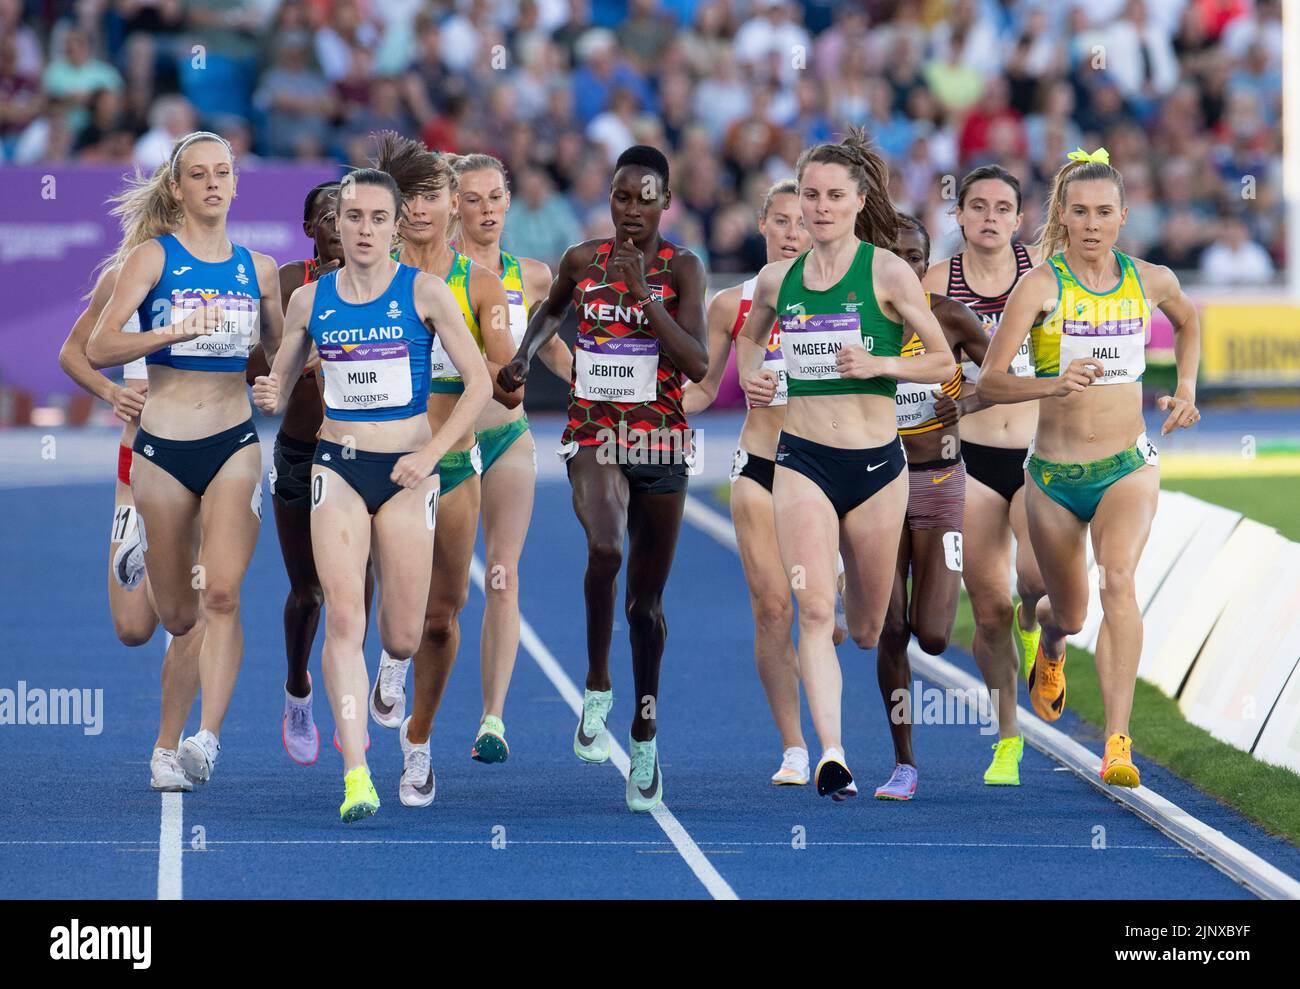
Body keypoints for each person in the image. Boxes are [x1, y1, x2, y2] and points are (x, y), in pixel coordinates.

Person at [254, 163, 489, 821]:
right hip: (337, 468)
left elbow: (477, 385)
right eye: (351, 216)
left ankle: (395, 671)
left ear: (395, 226)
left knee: (405, 633)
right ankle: (357, 772)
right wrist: (269, 391)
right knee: (344, 618)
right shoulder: (310, 301)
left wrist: (432, 453)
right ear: (336, 224)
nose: (362, 228)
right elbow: (278, 380)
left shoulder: (427, 293)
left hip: (408, 475)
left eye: (376, 218)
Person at [735, 129, 955, 800]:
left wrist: (882, 362)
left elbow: (944, 362)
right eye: (810, 195)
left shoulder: (886, 272)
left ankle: (844, 614)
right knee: (809, 607)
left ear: (859, 201)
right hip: (801, 458)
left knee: (865, 627)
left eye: (834, 196)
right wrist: (755, 378)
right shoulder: (779, 279)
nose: (820, 207)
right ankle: (831, 752)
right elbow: (750, 339)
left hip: (876, 469)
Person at [978, 148, 1201, 787]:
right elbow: (990, 380)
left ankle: (1117, 742)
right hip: (1051, 477)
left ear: (1124, 216)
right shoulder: (1041, 286)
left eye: (1105, 211)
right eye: (1080, 212)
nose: (1093, 223)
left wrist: (1185, 388)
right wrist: (1050, 384)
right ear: (1064, 217)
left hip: (1127, 466)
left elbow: (1189, 323)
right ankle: (1048, 641)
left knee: (1120, 580)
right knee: (1069, 614)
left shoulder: (1149, 279)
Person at [500, 145, 709, 812]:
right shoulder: (582, 261)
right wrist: (519, 359)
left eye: (645, 198)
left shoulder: (683, 268)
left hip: (663, 440)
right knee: (606, 545)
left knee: (646, 608)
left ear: (665, 204)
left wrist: (645, 298)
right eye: (621, 197)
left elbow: (700, 361)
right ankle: (596, 681)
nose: (630, 210)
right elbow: (548, 313)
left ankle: (644, 730)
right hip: (595, 431)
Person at [87, 131, 282, 788]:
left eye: (221, 173)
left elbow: (282, 351)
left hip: (233, 442)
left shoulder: (258, 269)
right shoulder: (151, 259)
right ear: (177, 187)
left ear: (234, 182)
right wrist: (169, 332)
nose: (212, 184)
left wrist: (274, 381)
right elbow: (99, 344)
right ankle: (166, 741)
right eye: (197, 175)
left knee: (221, 592)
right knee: (175, 616)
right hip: (160, 451)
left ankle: (200, 738)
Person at [366, 134, 519, 808]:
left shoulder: (479, 283)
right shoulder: (370, 273)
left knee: (443, 614)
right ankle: (388, 654)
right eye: (410, 196)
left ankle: (419, 741)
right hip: (384, 466)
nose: (421, 207)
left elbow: (507, 380)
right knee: (393, 607)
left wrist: (504, 365)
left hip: (455, 463)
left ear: (450, 204)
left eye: (432, 195)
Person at [58, 168, 205, 792]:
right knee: (131, 628)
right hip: (132, 471)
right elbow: (74, 351)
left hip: (198, 462)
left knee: (190, 614)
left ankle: (167, 748)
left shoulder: (219, 279)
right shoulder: (125, 275)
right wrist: (112, 394)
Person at [682, 178, 816, 785]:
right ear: (762, 226)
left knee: (842, 618)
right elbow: (705, 388)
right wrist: (641, 402)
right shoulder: (729, 304)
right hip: (758, 464)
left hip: (828, 467)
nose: (793, 234)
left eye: (804, 222)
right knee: (772, 608)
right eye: (782, 222)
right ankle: (793, 746)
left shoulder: (845, 296)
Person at [922, 164, 1046, 785]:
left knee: (1035, 582)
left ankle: (1039, 627)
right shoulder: (933, 282)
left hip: (1034, 452)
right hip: (966, 457)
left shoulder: (1043, 277)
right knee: (989, 609)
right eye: (978, 207)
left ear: (1019, 220)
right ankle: (1007, 736)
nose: (991, 217)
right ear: (960, 216)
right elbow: (907, 361)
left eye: (1003, 207)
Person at [245, 180, 376, 766]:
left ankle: (350, 688)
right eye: (327, 216)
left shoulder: (381, 280)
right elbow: (255, 364)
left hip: (362, 455)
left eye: (345, 215)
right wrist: (299, 361)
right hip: (300, 452)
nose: (337, 225)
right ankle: (298, 687)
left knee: (358, 586)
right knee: (310, 591)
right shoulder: (287, 286)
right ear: (310, 228)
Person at [448, 152, 573, 762]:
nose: (486, 210)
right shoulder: (430, 275)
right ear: (453, 206)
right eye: (472, 199)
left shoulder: (534, 275)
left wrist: (593, 391)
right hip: (444, 445)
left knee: (503, 573)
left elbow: (549, 348)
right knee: (439, 598)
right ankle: (398, 675)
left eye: (495, 197)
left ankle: (492, 719)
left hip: (507, 436)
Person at [873, 212, 987, 799]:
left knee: (934, 635)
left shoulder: (948, 317)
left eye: (918, 257)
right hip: (877, 483)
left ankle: (938, 582)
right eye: (898, 256)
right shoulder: (860, 320)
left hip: (941, 484)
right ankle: (904, 762)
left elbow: (997, 377)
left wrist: (963, 402)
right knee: (891, 629)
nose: (909, 267)